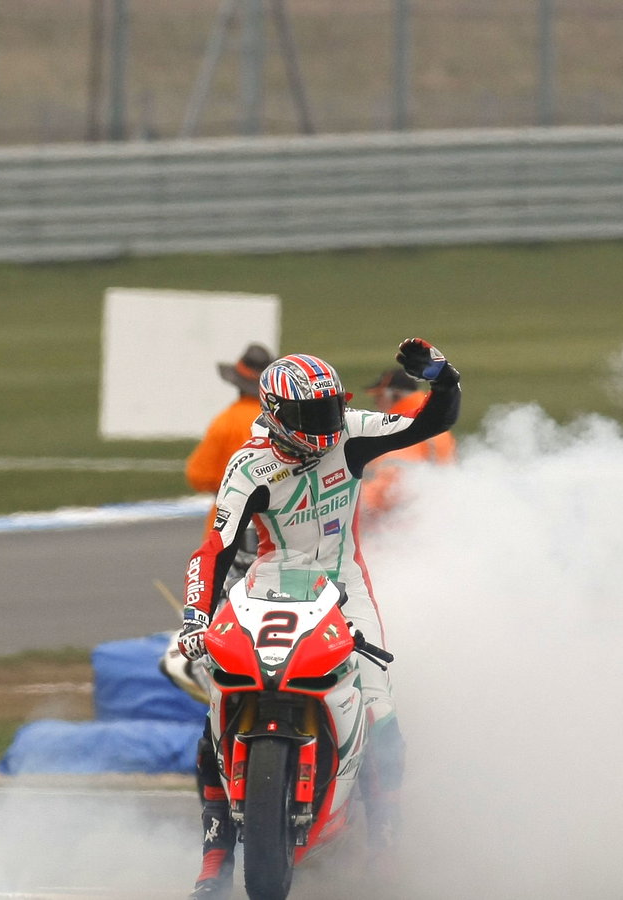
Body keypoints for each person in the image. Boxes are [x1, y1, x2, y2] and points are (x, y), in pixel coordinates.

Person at [175, 338, 460, 899]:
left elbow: (430, 422)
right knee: (218, 706)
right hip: (266, 587)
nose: (329, 424)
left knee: (383, 717)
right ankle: (214, 860)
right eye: (314, 414)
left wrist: (444, 379)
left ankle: (385, 847)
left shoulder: (350, 433)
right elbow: (215, 550)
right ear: (278, 417)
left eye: (333, 408)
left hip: (343, 588)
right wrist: (194, 618)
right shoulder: (248, 467)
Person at [184, 343, 274, 528]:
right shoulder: (283, 419)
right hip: (279, 519)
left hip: (230, 520)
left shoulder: (225, 422)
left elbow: (198, 475)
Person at [359, 367, 457, 518]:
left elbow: (390, 487)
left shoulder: (401, 428)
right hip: (437, 512)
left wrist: (354, 500)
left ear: (396, 395)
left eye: (379, 396)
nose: (375, 402)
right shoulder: (433, 422)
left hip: (404, 520)